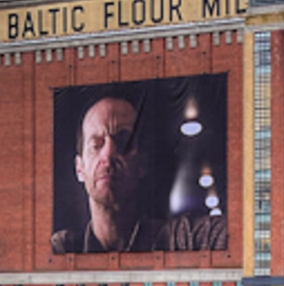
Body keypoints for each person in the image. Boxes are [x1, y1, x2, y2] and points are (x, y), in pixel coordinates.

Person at [51, 93, 227, 253]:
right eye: (96, 145)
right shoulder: (64, 248)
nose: (108, 154)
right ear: (79, 169)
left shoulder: (181, 240)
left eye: (124, 143)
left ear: (142, 163)